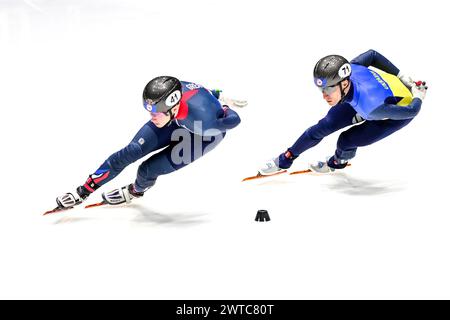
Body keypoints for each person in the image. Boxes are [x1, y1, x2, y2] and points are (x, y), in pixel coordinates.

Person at [55, 76, 241, 209]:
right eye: (150, 111)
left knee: (147, 170)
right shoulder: (173, 93)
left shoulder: (205, 122)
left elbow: (233, 121)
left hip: (202, 135)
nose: (152, 117)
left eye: (156, 112)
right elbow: (201, 90)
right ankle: (83, 191)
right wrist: (216, 93)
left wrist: (225, 107)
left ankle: (135, 191)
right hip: (176, 119)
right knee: (132, 151)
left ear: (174, 106)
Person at [259, 49, 428, 175]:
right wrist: (400, 74)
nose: (324, 96)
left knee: (346, 141)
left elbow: (411, 111)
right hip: (368, 96)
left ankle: (337, 162)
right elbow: (372, 55)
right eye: (321, 90)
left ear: (344, 84)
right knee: (323, 126)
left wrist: (418, 96)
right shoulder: (351, 69)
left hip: (396, 111)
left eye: (328, 90)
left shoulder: (370, 108)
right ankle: (285, 159)